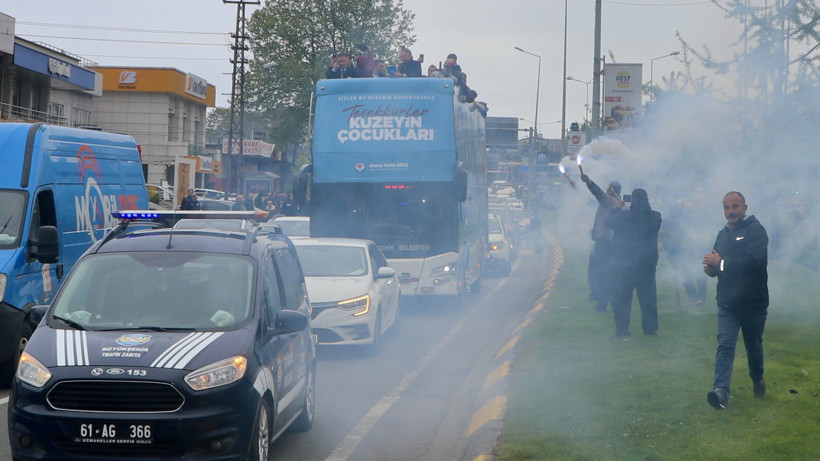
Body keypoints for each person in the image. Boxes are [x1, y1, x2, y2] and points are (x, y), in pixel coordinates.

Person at [702, 191, 769, 410]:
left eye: (735, 206)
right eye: (727, 207)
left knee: (753, 347)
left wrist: (720, 263)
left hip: (753, 303)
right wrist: (711, 269)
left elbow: (752, 262)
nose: (731, 211)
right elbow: (717, 264)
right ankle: (721, 392)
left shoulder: (756, 231)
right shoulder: (722, 234)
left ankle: (757, 379)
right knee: (725, 345)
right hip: (727, 302)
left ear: (745, 208)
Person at [605, 188, 662, 339]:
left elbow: (609, 222)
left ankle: (622, 331)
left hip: (625, 264)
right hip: (647, 263)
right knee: (648, 298)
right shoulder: (656, 217)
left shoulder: (623, 216)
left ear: (633, 200)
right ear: (647, 199)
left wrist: (618, 209)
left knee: (623, 299)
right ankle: (650, 330)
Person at [580, 174, 622, 312]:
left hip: (605, 243)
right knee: (609, 273)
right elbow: (594, 200)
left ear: (611, 190)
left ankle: (602, 303)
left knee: (602, 274)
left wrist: (589, 182)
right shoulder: (619, 203)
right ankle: (608, 299)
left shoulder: (609, 201)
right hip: (613, 243)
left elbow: (598, 193)